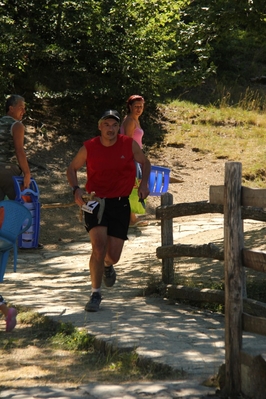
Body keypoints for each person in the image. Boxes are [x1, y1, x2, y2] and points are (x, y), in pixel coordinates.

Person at [67, 110, 151, 312]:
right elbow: (72, 168)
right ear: (100, 126)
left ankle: (107, 266)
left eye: (114, 125)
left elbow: (145, 162)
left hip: (120, 204)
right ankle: (95, 294)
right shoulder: (89, 147)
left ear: (117, 127)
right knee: (98, 246)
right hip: (95, 202)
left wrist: (144, 184)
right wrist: (76, 189)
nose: (111, 129)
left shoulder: (127, 143)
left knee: (112, 256)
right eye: (107, 124)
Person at [120, 94, 148, 226]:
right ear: (130, 106)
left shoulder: (135, 120)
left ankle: (132, 217)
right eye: (136, 106)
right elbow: (127, 142)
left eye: (141, 106)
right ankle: (131, 219)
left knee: (134, 185)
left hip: (136, 157)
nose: (139, 109)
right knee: (132, 186)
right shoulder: (130, 121)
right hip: (131, 157)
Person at [0, 95, 31, 200]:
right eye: (21, 107)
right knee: (22, 206)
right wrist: (27, 173)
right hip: (9, 171)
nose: (24, 111)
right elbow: (19, 150)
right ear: (11, 108)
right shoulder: (17, 125)